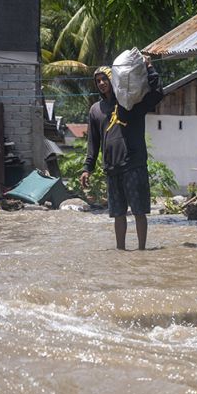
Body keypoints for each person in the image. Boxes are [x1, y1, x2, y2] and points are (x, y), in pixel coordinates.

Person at [80, 59, 163, 250]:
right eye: (98, 81)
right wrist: (87, 168)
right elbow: (93, 142)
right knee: (118, 214)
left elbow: (156, 93)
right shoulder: (95, 110)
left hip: (134, 165)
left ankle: (142, 250)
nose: (101, 83)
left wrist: (150, 68)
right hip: (112, 168)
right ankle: (121, 251)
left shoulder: (130, 101)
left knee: (139, 211)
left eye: (104, 79)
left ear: (113, 79)